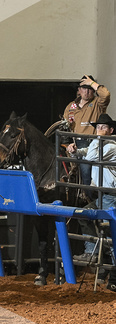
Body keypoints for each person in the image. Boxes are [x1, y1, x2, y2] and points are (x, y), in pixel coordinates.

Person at [67, 114, 116, 291]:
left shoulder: (111, 146)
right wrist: (76, 151)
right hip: (103, 195)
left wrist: (96, 138)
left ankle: (112, 275)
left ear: (111, 130)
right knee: (87, 217)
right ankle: (95, 256)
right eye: (98, 127)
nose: (99, 130)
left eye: (104, 127)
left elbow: (92, 156)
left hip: (111, 195)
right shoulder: (103, 144)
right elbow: (87, 153)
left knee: (110, 235)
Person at [63, 75, 111, 197]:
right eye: (84, 88)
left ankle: (89, 198)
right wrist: (67, 143)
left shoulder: (97, 103)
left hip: (92, 144)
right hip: (73, 143)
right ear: (79, 90)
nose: (87, 91)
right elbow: (64, 125)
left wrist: (92, 83)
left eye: (89, 88)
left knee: (86, 169)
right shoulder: (70, 107)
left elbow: (105, 95)